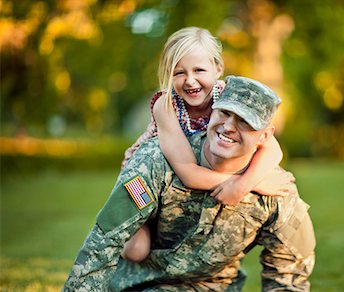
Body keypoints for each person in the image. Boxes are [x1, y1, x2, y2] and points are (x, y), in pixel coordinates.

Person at [63, 75, 316, 291]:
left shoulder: (276, 191)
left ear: (265, 135)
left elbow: (289, 275)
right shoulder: (155, 162)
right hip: (140, 283)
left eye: (244, 122)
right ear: (213, 109)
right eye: (225, 112)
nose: (228, 126)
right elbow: (104, 241)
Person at [120, 27, 287, 262]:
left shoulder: (228, 96)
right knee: (135, 251)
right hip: (141, 178)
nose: (190, 81)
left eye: (199, 70)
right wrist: (246, 184)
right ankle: (139, 230)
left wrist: (245, 182)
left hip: (175, 178)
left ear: (218, 69)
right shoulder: (166, 105)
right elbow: (188, 172)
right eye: (179, 73)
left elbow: (272, 147)